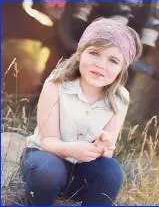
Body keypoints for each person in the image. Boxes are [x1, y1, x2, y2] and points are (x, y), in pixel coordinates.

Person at [19, 18, 142, 205]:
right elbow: (48, 142)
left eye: (113, 60)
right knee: (48, 171)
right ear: (80, 53)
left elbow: (106, 152)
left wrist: (104, 146)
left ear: (121, 69)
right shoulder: (57, 83)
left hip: (81, 171)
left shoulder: (121, 98)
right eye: (94, 53)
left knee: (111, 171)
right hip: (46, 158)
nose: (100, 65)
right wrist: (73, 149)